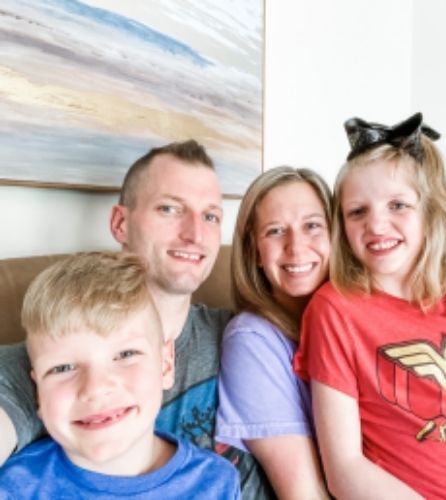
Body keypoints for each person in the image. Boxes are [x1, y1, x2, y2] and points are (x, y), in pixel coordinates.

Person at [0, 140, 273, 498]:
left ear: (166, 361)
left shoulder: (243, 337)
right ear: (120, 223)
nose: (195, 233)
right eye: (170, 208)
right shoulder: (47, 355)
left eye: (210, 216)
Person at [294, 113, 446, 499]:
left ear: (429, 212)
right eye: (358, 211)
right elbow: (346, 470)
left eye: (398, 205)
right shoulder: (335, 311)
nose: (376, 224)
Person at [0, 252, 240, 498]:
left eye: (125, 354)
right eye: (63, 368)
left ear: (166, 364)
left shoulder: (216, 482)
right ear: (38, 390)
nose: (95, 388)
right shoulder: (14, 487)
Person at [216, 167, 332, 499]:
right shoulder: (252, 340)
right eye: (275, 231)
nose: (296, 247)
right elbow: (304, 495)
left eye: (312, 226)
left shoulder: (352, 322)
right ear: (254, 251)